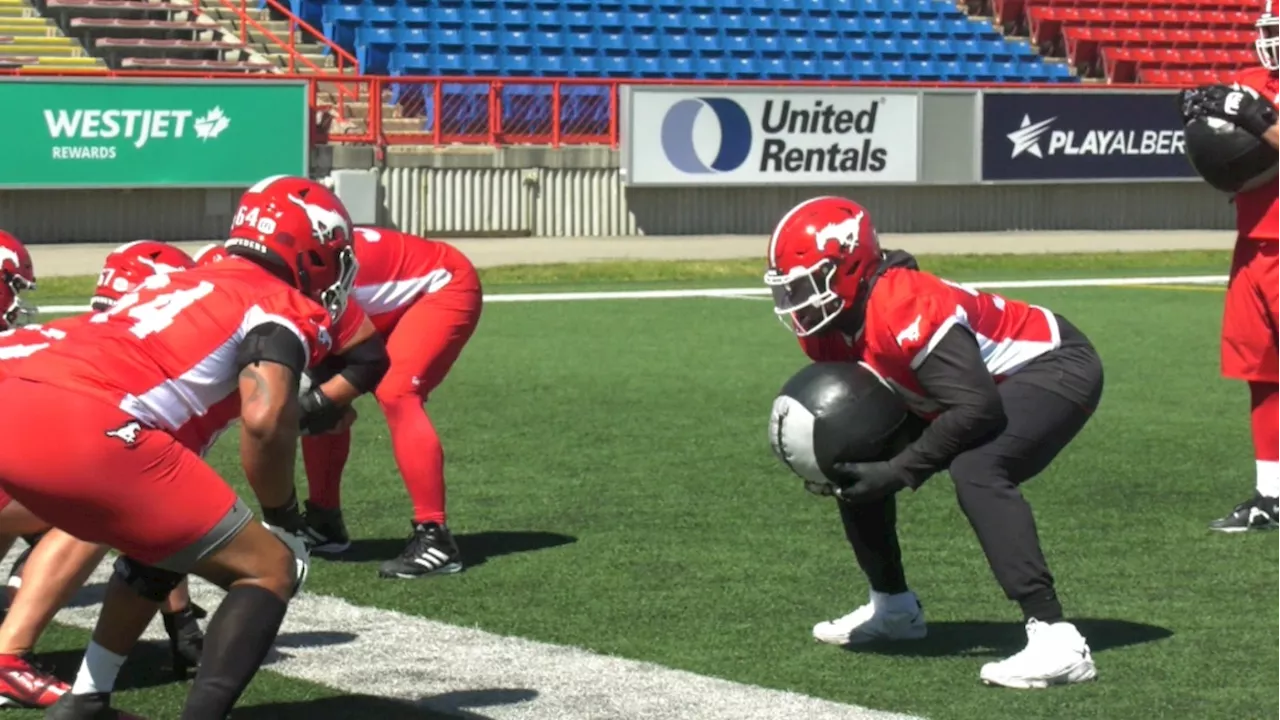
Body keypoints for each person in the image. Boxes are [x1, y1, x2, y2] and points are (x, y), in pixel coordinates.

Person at [5, 175, 380, 720]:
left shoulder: (188, 279)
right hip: (90, 422)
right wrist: (284, 517)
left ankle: (86, 698)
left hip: (22, 395)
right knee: (270, 567)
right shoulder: (278, 301)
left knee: (164, 538)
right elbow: (265, 415)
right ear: (313, 247)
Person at [764, 196, 1103, 689]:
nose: (796, 300)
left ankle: (1056, 638)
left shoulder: (900, 304)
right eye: (788, 287)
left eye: (807, 283)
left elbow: (977, 409)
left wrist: (902, 468)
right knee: (855, 453)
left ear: (851, 264)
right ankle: (893, 607)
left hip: (1052, 365)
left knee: (979, 468)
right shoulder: (828, 327)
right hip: (972, 386)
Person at [0, 241, 209, 710]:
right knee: (100, 508)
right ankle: (8, 657)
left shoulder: (73, 335)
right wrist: (182, 624)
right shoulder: (122, 362)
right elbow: (158, 508)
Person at [300, 225, 482, 578]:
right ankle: (324, 521)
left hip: (441, 285)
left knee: (396, 391)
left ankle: (436, 538)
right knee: (318, 394)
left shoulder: (302, 278)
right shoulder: (297, 268)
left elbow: (369, 363)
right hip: (378, 299)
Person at [1177, 28, 1280, 530]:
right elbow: (1223, 143)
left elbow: (1255, 122)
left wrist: (1257, 120)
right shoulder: (1250, 81)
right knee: (1261, 375)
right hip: (1252, 244)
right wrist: (1201, 122)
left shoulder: (1254, 98)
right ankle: (1271, 495)